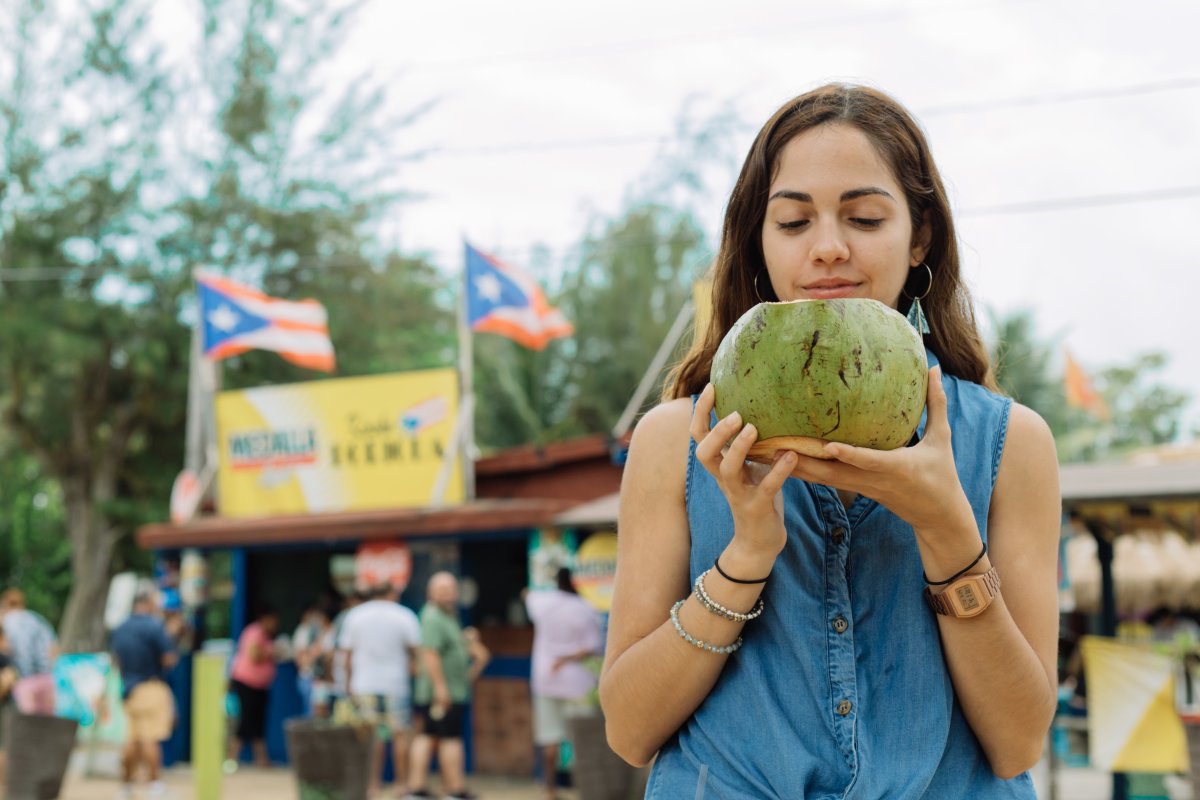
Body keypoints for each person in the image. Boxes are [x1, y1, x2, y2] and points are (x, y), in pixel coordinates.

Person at [599, 83, 1061, 798]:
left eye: (866, 217)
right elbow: (629, 732)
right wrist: (745, 558)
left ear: (920, 236)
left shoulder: (1009, 443)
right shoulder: (677, 441)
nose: (828, 249)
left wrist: (946, 532)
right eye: (791, 222)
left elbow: (1017, 744)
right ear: (758, 240)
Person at [404, 572, 490, 800]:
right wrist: (441, 688)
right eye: (442, 589)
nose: (448, 593)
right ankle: (455, 790)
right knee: (450, 739)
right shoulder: (432, 616)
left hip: (449, 690)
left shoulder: (449, 616)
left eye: (451, 589)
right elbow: (430, 653)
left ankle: (417, 789)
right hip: (442, 693)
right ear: (430, 593)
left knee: (428, 736)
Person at [524, 567, 603, 800]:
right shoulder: (586, 610)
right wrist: (566, 658)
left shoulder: (541, 602)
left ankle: (549, 790)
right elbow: (592, 647)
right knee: (582, 740)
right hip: (577, 683)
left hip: (545, 679)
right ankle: (584, 790)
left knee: (549, 739)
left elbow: (525, 593)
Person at [340, 583, 422, 799]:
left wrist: (348, 683)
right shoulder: (405, 615)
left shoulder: (355, 615)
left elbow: (347, 655)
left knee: (371, 736)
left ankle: (372, 786)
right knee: (400, 735)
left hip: (364, 683)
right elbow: (416, 652)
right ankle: (401, 785)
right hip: (396, 684)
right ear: (392, 594)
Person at [110, 590, 179, 800]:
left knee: (132, 739)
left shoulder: (119, 628)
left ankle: (126, 787)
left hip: (129, 688)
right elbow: (168, 659)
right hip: (151, 685)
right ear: (148, 603)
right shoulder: (155, 626)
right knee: (150, 737)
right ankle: (155, 785)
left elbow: (115, 661)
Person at [226, 605, 280, 770]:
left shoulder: (265, 635)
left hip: (260, 685)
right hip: (247, 683)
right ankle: (231, 759)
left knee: (258, 723)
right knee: (245, 721)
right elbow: (254, 656)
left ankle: (262, 759)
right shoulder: (254, 632)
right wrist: (272, 652)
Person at [0, 588, 58, 715]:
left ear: (6, 604)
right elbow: (53, 648)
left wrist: (24, 679)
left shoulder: (10, 621)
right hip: (49, 676)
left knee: (28, 722)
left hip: (29, 678)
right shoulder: (38, 619)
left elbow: (22, 652)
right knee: (47, 720)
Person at [291, 604, 332, 718]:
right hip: (310, 678)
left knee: (322, 714)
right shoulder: (305, 631)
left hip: (324, 681)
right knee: (311, 714)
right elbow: (302, 659)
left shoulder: (327, 632)